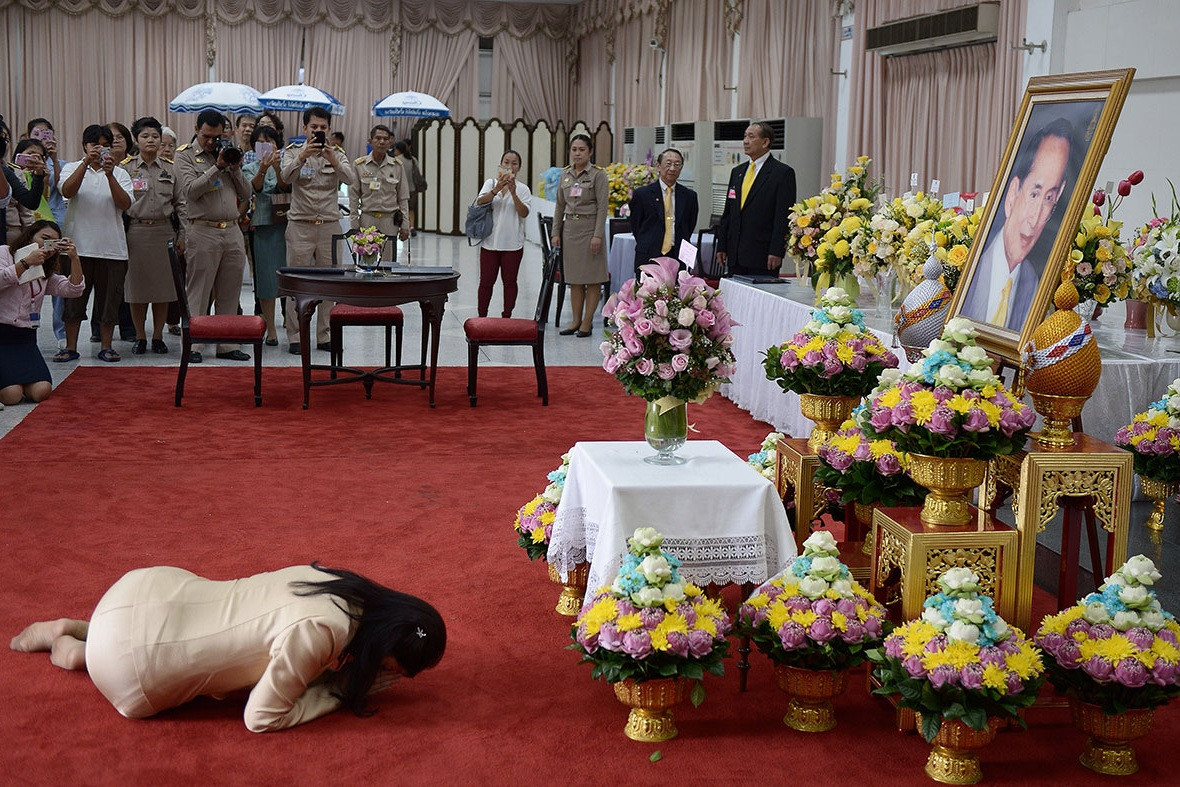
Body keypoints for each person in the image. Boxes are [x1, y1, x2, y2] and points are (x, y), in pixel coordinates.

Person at [10, 563, 446, 733]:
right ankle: (73, 651)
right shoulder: (323, 630)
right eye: (397, 668)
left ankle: (81, 627)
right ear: (387, 650)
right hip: (130, 664)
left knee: (199, 629)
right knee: (146, 657)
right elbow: (260, 717)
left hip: (142, 587)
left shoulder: (338, 584)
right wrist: (343, 689)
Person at [960, 118, 1076, 331]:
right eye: (1034, 194)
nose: (1035, 219)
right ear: (1013, 194)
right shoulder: (967, 266)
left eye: (1049, 198)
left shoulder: (1033, 285)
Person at [174, 109, 252, 364]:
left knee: (230, 291)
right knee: (199, 290)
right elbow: (190, 191)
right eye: (207, 136)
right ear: (197, 129)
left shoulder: (229, 153)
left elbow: (247, 192)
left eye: (216, 136)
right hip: (202, 229)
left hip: (231, 230)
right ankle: (194, 345)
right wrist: (217, 168)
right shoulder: (185, 155)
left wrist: (235, 168)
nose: (211, 142)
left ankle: (226, 345)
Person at [280, 107, 355, 355]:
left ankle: (324, 335)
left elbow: (350, 178)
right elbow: (285, 177)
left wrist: (332, 158)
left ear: (329, 129)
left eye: (323, 128)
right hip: (300, 226)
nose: (319, 132)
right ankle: (295, 335)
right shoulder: (292, 152)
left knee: (330, 284)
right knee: (297, 285)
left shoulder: (337, 154)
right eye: (314, 128)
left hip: (329, 227)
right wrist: (302, 156)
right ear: (305, 129)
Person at [57, 124, 132, 363]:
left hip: (112, 250)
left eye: (105, 145)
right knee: (72, 301)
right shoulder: (71, 168)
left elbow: (125, 205)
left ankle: (107, 346)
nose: (99, 150)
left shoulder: (120, 173)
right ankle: (70, 347)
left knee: (109, 302)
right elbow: (67, 191)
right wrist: (85, 164)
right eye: (94, 145)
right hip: (77, 249)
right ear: (85, 146)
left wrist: (109, 175)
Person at [0, 221, 84, 404]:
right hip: (2, 334)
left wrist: (75, 259)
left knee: (41, 391)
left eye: (54, 243)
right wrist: (25, 262)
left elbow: (73, 289)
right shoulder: (5, 253)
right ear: (30, 236)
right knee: (12, 396)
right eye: (44, 239)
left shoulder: (45, 269)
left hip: (26, 338)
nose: (48, 247)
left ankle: (15, 380)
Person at [123, 116, 180, 355]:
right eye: (145, 136)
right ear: (136, 139)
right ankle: (140, 336)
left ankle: (157, 337)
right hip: (136, 232)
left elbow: (181, 204)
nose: (151, 140)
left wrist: (183, 235)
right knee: (137, 289)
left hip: (164, 231)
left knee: (162, 289)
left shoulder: (170, 168)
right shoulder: (125, 168)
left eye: (155, 136)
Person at [715, 121, 796, 277]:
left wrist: (776, 250)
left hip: (763, 255)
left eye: (751, 137)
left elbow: (783, 217)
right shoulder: (737, 172)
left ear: (765, 142)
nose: (745, 141)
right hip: (735, 254)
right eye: (745, 136)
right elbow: (728, 213)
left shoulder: (782, 173)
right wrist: (722, 245)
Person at [552, 134, 608, 337]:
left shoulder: (597, 175)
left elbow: (603, 207)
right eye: (574, 149)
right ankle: (575, 321)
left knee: (592, 279)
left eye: (582, 149)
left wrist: (598, 236)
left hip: (590, 229)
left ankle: (587, 322)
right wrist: (555, 233)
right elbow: (559, 205)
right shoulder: (565, 174)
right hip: (570, 231)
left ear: (590, 151)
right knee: (575, 279)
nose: (577, 153)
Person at [242, 123, 288, 345]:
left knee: (290, 278)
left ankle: (291, 325)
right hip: (263, 225)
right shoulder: (249, 166)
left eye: (269, 142)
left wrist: (278, 168)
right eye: (260, 143)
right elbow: (256, 188)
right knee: (267, 280)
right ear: (253, 147)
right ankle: (271, 329)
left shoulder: (286, 163)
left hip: (287, 225)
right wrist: (263, 167)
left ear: (276, 144)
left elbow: (285, 186)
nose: (265, 146)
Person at [474, 150, 532, 318]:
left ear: (519, 167)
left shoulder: (523, 189)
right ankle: (482, 316)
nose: (510, 166)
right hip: (489, 243)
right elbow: (480, 201)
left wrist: (513, 193)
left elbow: (524, 213)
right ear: (501, 164)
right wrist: (496, 189)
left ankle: (507, 315)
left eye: (514, 163)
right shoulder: (490, 183)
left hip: (512, 244)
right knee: (486, 282)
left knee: (510, 282)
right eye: (506, 162)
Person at [627, 147, 698, 276]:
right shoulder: (643, 194)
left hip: (678, 256)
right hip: (649, 254)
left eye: (677, 165)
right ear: (658, 166)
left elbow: (690, 224)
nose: (672, 168)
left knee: (677, 294)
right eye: (668, 164)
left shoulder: (689, 196)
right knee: (647, 294)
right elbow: (636, 225)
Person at [350, 124, 410, 260]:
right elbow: (353, 198)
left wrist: (405, 225)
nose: (382, 142)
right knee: (366, 263)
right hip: (367, 220)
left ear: (390, 142)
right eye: (377, 138)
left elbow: (403, 198)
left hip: (389, 221)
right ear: (370, 141)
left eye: (385, 139)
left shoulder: (397, 166)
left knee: (387, 266)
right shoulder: (359, 165)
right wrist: (354, 224)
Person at [394, 140, 425, 235]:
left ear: (399, 150)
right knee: (411, 209)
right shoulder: (413, 159)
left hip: (400, 189)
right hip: (412, 189)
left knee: (401, 208)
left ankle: (403, 225)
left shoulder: (397, 160)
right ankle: (412, 226)